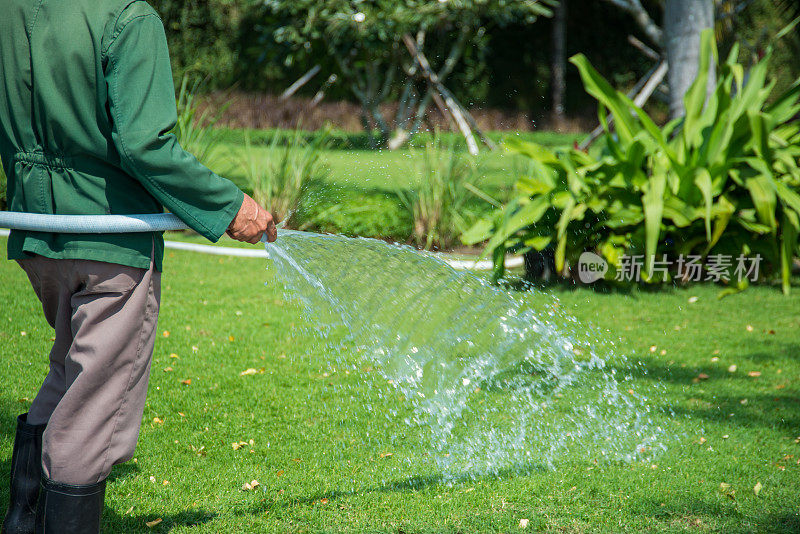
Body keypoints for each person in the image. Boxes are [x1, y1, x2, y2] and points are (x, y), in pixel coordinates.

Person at [0, 0, 277, 532]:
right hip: (113, 244)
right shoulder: (128, 17)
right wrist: (230, 207)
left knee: (69, 369)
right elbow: (146, 144)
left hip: (37, 235)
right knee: (91, 405)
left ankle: (23, 519)